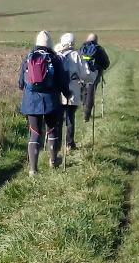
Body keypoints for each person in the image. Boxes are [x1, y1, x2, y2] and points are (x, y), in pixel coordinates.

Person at [18, 30, 72, 175]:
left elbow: (20, 83)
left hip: (31, 102)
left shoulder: (28, 58)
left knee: (34, 133)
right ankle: (53, 161)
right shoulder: (54, 59)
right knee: (52, 130)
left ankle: (33, 170)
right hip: (51, 101)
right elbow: (62, 81)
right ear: (50, 44)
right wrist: (67, 94)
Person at [54, 32, 86, 151]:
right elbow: (85, 73)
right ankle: (69, 144)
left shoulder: (57, 55)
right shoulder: (77, 55)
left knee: (59, 119)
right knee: (70, 117)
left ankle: (56, 145)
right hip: (73, 91)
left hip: (59, 92)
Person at [79, 32, 111, 122]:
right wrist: (100, 68)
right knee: (91, 92)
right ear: (96, 40)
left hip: (83, 73)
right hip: (95, 73)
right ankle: (87, 115)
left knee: (84, 91)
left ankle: (84, 108)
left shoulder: (82, 48)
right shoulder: (99, 49)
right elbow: (106, 63)